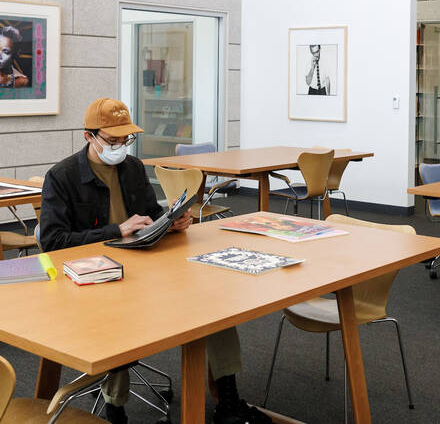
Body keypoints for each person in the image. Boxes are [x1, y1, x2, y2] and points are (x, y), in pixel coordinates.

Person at [39, 98, 271, 424]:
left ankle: (228, 401)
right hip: (91, 276)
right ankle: (114, 409)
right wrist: (116, 230)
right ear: (88, 136)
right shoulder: (61, 177)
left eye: (126, 140)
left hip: (143, 265)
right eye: (112, 141)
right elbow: (52, 242)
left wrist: (171, 221)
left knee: (215, 305)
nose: (120, 147)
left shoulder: (132, 168)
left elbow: (151, 214)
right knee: (115, 316)